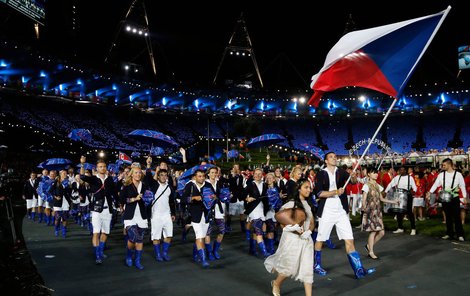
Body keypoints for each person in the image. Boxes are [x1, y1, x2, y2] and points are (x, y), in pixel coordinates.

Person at [313, 152, 375, 279]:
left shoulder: (341, 172)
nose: (334, 158)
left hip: (341, 210)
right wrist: (336, 191)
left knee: (349, 239)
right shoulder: (321, 174)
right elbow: (319, 193)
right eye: (331, 157)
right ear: (325, 161)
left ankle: (358, 270)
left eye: (335, 157)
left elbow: (352, 181)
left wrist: (353, 176)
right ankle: (316, 265)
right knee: (320, 239)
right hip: (327, 210)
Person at [265, 178, 314, 296]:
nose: (309, 190)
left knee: (307, 270)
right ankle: (276, 283)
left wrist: (309, 232)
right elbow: (280, 218)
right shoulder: (290, 204)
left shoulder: (308, 204)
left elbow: (312, 222)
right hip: (292, 240)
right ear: (299, 189)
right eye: (306, 187)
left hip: (306, 240)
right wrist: (288, 228)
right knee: (288, 268)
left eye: (309, 187)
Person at [79, 156, 117, 265]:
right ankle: (97, 255)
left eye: (104, 166)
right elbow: (82, 176)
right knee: (96, 232)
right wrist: (82, 164)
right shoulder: (94, 179)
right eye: (100, 167)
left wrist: (119, 204)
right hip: (96, 210)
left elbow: (114, 193)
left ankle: (100, 251)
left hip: (108, 210)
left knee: (105, 232)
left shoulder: (110, 179)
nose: (103, 168)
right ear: (97, 168)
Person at [361, 168, 399, 259]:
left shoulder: (378, 186)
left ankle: (369, 246)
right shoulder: (366, 186)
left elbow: (381, 199)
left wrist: (393, 202)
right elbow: (364, 199)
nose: (376, 174)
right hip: (370, 211)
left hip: (378, 211)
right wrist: (364, 208)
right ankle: (371, 252)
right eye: (373, 173)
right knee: (373, 231)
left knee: (382, 232)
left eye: (376, 173)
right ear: (369, 174)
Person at [426, 158, 467, 241]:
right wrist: (429, 192)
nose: (442, 166)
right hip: (445, 197)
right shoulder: (441, 175)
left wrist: (465, 197)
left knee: (456, 216)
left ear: (449, 164)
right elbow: (436, 184)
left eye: (444, 165)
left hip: (455, 198)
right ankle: (449, 234)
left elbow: (462, 186)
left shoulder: (458, 174)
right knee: (447, 217)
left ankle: (460, 235)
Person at [146, 157, 176, 262]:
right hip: (156, 215)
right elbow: (148, 178)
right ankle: (158, 254)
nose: (163, 177)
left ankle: (164, 253)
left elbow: (172, 201)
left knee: (169, 235)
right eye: (161, 175)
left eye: (165, 175)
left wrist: (173, 213)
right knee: (156, 236)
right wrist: (149, 165)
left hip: (167, 214)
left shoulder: (169, 187)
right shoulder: (154, 185)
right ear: (158, 176)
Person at [120, 165, 149, 269]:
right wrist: (133, 199)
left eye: (140, 173)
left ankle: (137, 261)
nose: (138, 174)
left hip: (142, 216)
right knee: (133, 238)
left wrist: (148, 199)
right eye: (136, 173)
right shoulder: (126, 185)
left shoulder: (144, 186)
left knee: (139, 239)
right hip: (130, 216)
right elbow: (122, 200)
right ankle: (128, 256)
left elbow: (148, 198)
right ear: (131, 174)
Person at [384, 166, 417, 235]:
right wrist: (385, 191)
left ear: (406, 170)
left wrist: (413, 191)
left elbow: (415, 187)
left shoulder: (410, 178)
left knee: (409, 212)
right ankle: (400, 228)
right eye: (400, 170)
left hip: (407, 195)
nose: (401, 171)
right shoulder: (397, 177)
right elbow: (390, 184)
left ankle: (413, 229)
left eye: (403, 170)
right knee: (398, 212)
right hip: (399, 196)